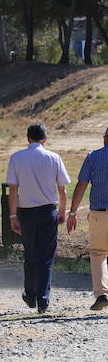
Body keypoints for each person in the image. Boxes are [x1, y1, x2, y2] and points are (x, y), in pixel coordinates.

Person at [6, 122, 70, 313]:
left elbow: (13, 190)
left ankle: (30, 293)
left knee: (30, 254)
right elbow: (63, 189)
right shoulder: (54, 157)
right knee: (46, 257)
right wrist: (62, 212)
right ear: (45, 139)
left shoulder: (16, 158)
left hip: (26, 212)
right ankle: (43, 300)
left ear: (28, 138)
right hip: (48, 211)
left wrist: (12, 215)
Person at [67, 126, 108, 311]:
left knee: (99, 253)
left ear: (106, 138)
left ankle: (102, 294)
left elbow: (81, 184)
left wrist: (73, 212)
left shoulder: (93, 156)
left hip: (99, 214)